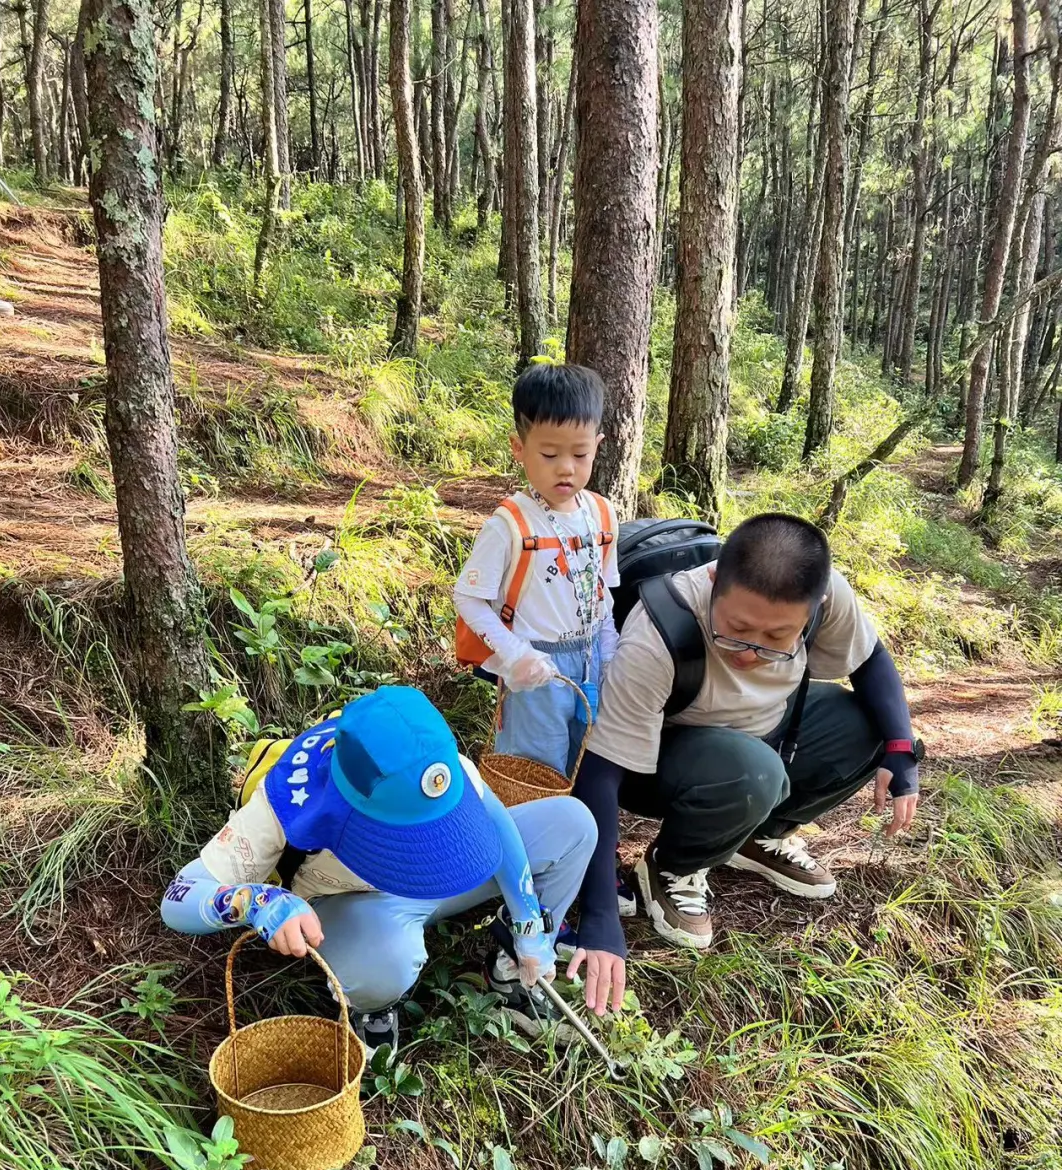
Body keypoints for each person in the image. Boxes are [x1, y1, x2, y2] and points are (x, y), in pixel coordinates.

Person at [571, 513, 920, 1013]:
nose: (750, 652)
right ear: (714, 580)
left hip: (768, 731)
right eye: (736, 630)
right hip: (666, 761)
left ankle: (758, 836)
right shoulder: (659, 629)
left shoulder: (826, 596)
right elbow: (600, 772)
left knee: (872, 730)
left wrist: (901, 750)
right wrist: (600, 912)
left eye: (777, 638)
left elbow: (870, 661)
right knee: (754, 773)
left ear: (814, 608)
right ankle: (672, 866)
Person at [160, 686, 599, 1053]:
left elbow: (497, 819)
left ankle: (513, 970)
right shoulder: (288, 806)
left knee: (573, 825)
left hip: (439, 876)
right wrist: (258, 901)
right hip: (360, 908)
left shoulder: (423, 754)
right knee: (383, 964)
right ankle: (371, 1004)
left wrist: (526, 919)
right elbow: (179, 897)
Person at [454, 362, 619, 779]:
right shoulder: (509, 525)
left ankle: (576, 842)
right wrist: (513, 653)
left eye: (580, 453)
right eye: (549, 454)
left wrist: (610, 650)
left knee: (584, 766)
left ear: (597, 445)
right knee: (532, 773)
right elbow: (468, 597)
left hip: (592, 661)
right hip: (535, 671)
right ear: (519, 447)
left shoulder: (601, 514)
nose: (566, 467)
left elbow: (603, 593)